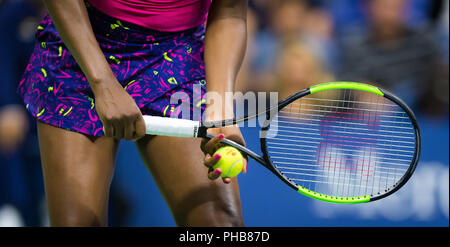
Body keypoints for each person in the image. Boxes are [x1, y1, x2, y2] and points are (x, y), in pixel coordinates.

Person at [17, 0, 248, 227]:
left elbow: (230, 12)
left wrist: (221, 110)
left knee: (221, 223)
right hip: (82, 45)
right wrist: (102, 82)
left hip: (177, 57)